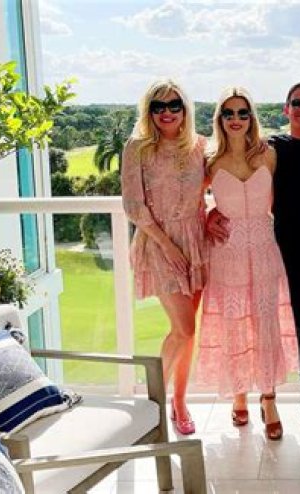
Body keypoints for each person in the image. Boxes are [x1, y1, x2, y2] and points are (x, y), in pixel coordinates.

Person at [209, 82, 300, 427]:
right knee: (283, 322)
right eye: (296, 103)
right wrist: (210, 214)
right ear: (286, 109)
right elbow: (200, 193)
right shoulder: (274, 149)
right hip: (284, 248)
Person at [195, 87, 298, 441]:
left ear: (251, 117)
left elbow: (288, 198)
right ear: (220, 119)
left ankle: (269, 400)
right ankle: (239, 393)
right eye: (229, 113)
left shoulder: (268, 154)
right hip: (227, 251)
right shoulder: (210, 160)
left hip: (265, 248)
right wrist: (209, 215)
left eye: (242, 112)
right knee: (234, 321)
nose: (236, 119)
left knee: (265, 323)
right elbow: (191, 203)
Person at [121, 79, 207, 435]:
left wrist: (217, 218)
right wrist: (168, 246)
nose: (167, 112)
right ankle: (154, 402)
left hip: (197, 243)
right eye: (158, 106)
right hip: (158, 244)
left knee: (187, 332)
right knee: (184, 327)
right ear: (149, 111)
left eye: (174, 105)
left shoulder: (200, 145)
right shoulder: (137, 148)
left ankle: (179, 402)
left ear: (185, 110)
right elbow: (133, 205)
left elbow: (218, 184)